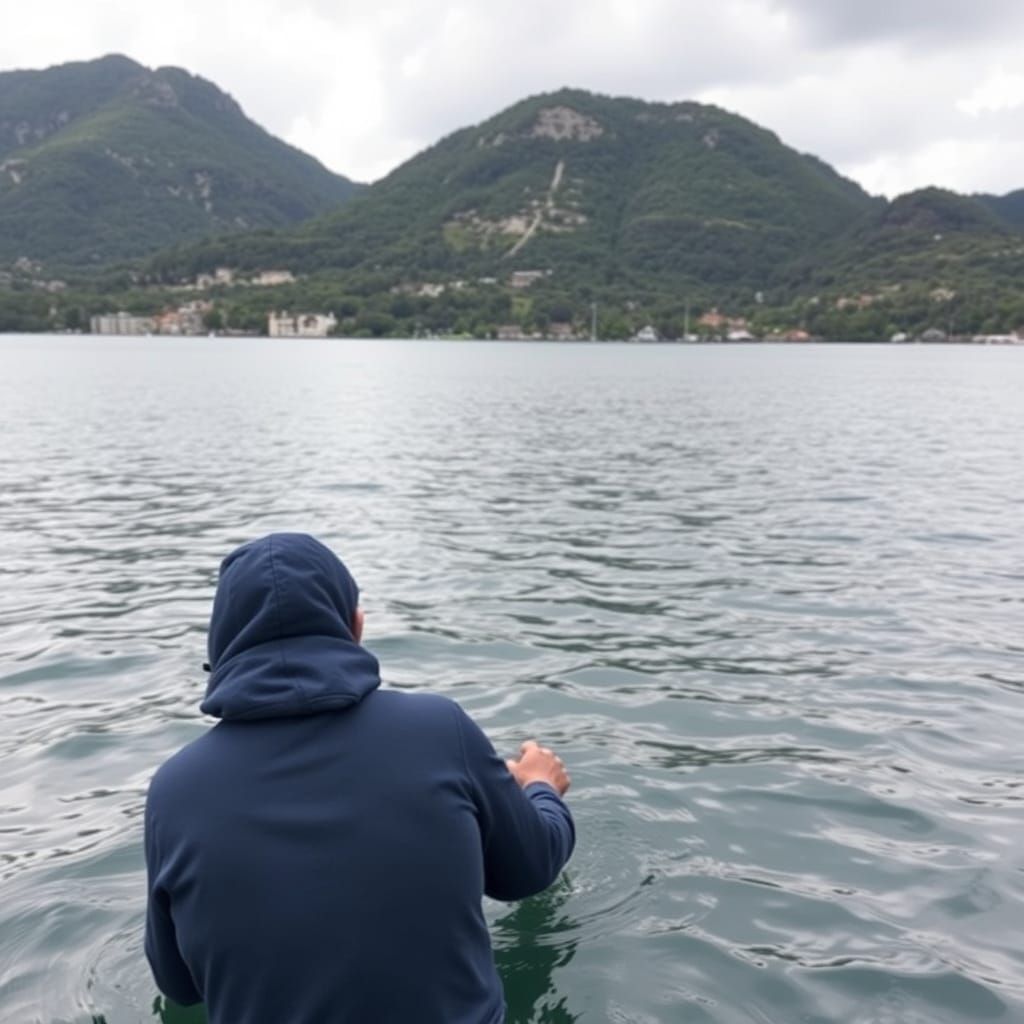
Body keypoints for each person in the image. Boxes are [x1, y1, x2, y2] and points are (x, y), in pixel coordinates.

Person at [144, 532, 575, 1024]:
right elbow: (529, 868)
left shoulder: (174, 790)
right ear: (356, 626)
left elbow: (176, 983)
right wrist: (541, 788)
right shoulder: (438, 729)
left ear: (221, 649)